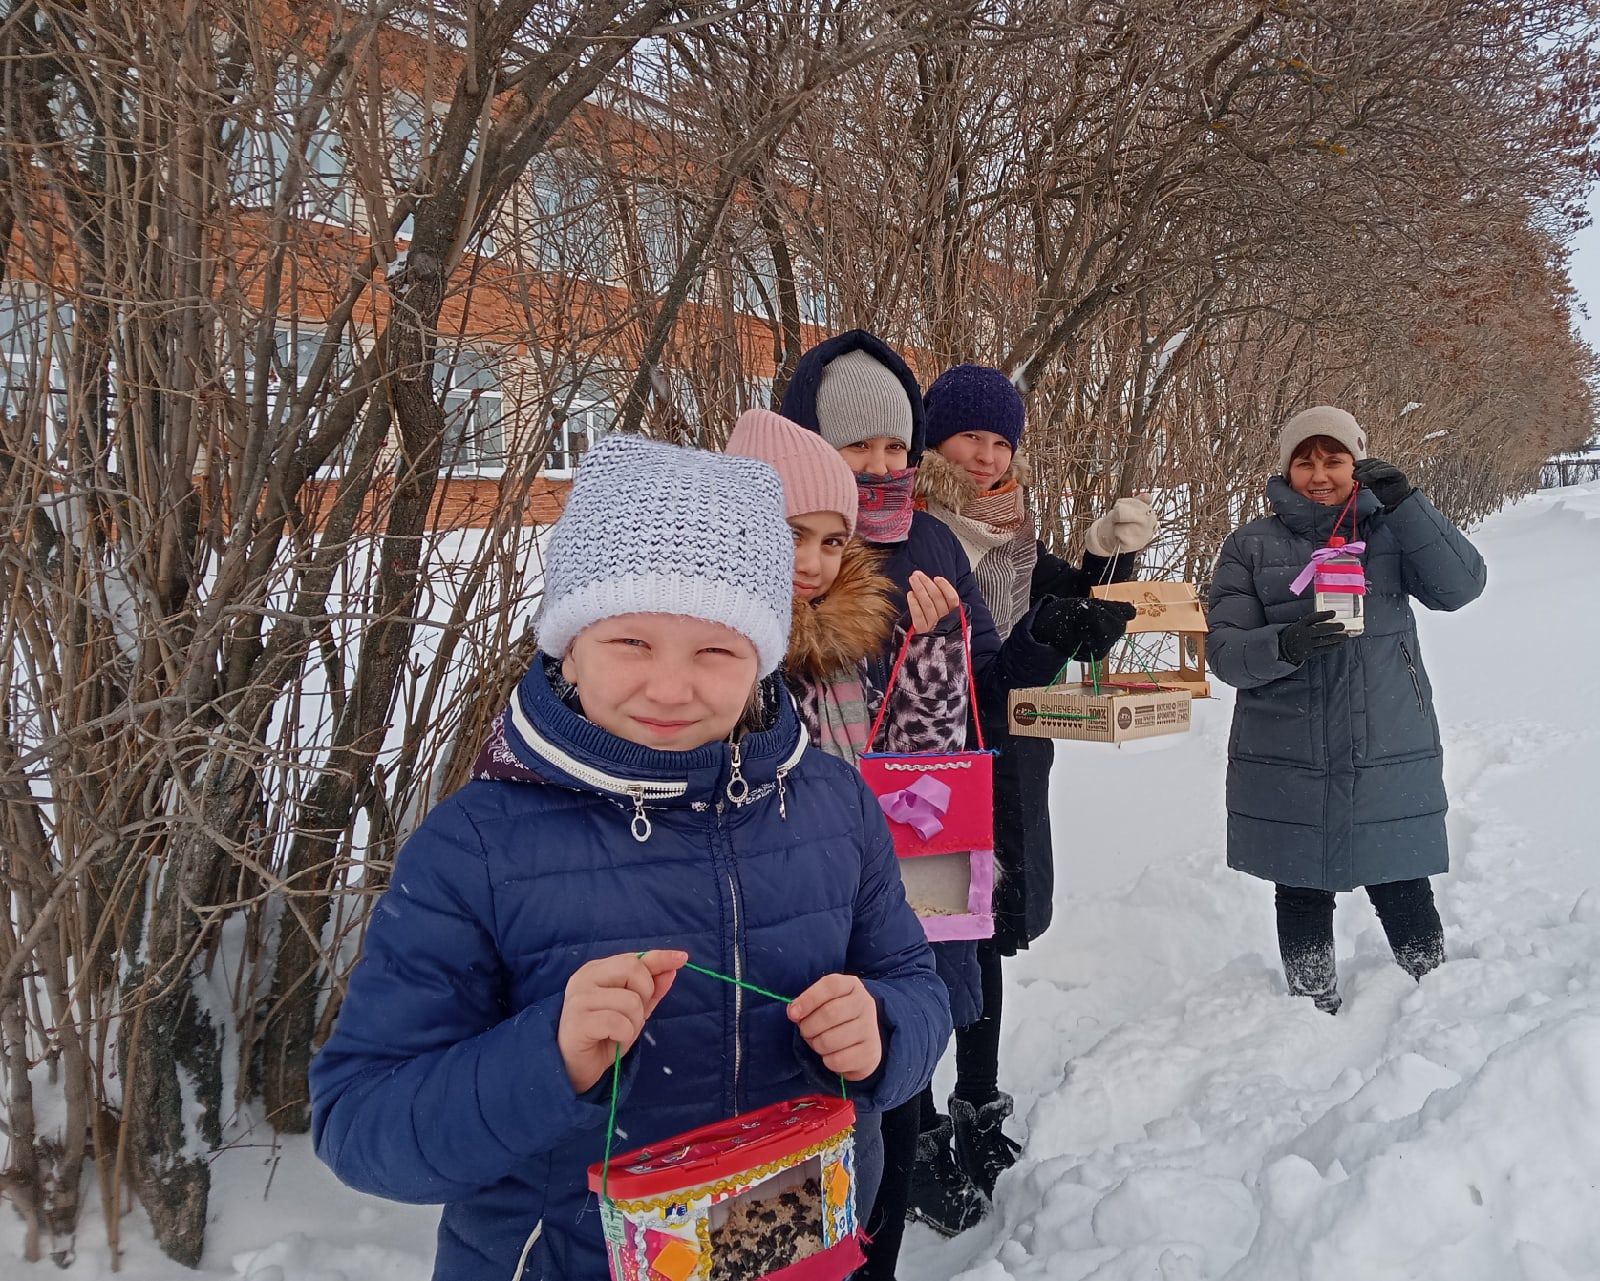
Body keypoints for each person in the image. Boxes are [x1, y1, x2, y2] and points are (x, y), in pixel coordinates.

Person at [308, 435, 953, 1281]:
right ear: (568, 644)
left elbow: (917, 984)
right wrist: (545, 1057)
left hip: (808, 1256)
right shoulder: (478, 845)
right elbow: (360, 1123)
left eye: (716, 651)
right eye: (630, 644)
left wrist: (883, 1029)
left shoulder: (833, 804)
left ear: (762, 659)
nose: (671, 688)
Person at [780, 333, 1139, 1268]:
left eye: (894, 447)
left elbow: (989, 676)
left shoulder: (932, 537)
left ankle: (936, 1136)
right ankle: (902, 1153)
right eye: (861, 446)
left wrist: (1054, 632)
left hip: (932, 808)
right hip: (815, 834)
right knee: (854, 1025)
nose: (882, 466)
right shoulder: (779, 542)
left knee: (944, 973)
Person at [912, 363, 1160, 1216]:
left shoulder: (1013, 532)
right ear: (933, 440)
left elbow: (1064, 602)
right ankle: (910, 1134)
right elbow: (974, 658)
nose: (984, 454)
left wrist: (1105, 552)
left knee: (983, 934)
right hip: (927, 767)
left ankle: (976, 1106)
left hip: (1011, 756)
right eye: (969, 436)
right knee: (919, 945)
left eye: (1000, 440)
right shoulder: (914, 528)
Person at [1207, 406, 1486, 1015]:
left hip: (1385, 731)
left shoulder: (1389, 531)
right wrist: (1285, 643)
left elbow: (1461, 587)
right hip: (1286, 742)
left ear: (1355, 461)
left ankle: (1432, 994)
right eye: (1303, 460)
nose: (1318, 473)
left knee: (1400, 868)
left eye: (1333, 458)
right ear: (1286, 468)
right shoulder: (1251, 544)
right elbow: (1225, 653)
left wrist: (1409, 503)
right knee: (1301, 880)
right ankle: (1309, 1007)